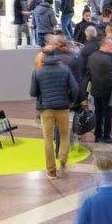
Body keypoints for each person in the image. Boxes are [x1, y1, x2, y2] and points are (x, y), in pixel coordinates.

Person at [30, 48, 79, 179]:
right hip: (63, 107)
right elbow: (75, 88)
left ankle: (51, 171)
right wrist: (71, 101)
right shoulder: (65, 69)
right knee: (64, 135)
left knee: (48, 139)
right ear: (55, 55)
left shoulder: (37, 71)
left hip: (45, 109)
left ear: (43, 56)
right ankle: (63, 158)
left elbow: (33, 92)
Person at [87, 38, 112, 143]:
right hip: (107, 91)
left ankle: (97, 134)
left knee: (98, 112)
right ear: (106, 45)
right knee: (108, 114)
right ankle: (106, 136)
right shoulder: (110, 59)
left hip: (96, 89)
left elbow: (89, 73)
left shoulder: (92, 56)